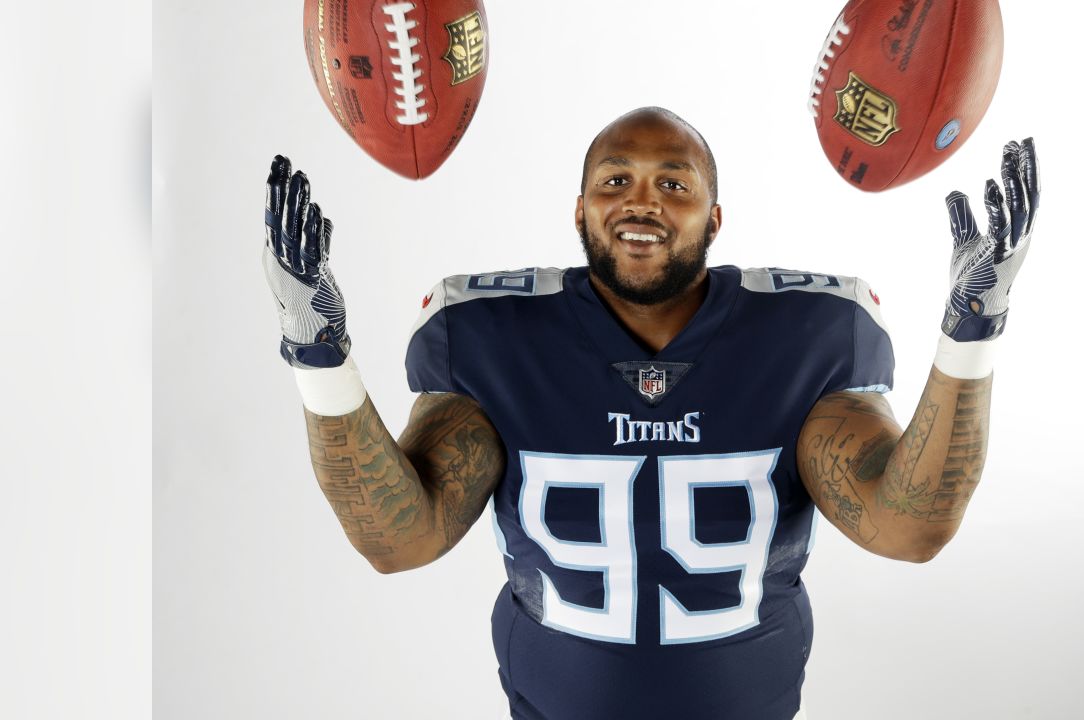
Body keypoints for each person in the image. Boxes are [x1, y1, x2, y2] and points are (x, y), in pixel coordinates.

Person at [261, 107, 1039, 720]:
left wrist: (969, 333)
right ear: (578, 210)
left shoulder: (806, 333)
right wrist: (320, 355)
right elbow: (401, 540)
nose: (642, 200)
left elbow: (908, 527)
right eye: (614, 181)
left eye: (674, 183)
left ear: (714, 216)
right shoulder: (493, 335)